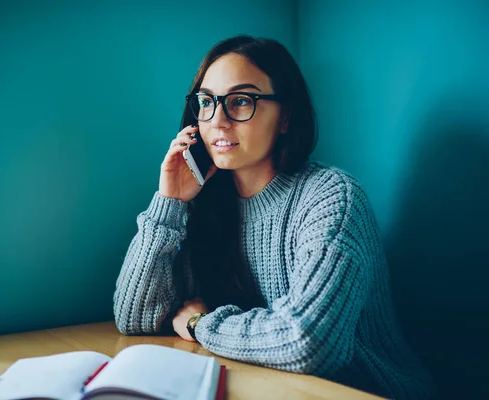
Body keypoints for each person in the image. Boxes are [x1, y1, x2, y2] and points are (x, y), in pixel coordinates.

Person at [113, 35, 433, 400]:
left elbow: (308, 342)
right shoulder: (206, 204)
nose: (217, 120)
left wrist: (203, 324)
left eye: (241, 101)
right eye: (206, 102)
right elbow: (136, 318)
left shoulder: (331, 197)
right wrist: (169, 202)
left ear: (286, 116)